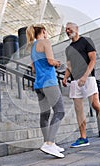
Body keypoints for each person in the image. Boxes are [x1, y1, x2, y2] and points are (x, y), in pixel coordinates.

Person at [62, 22, 100, 147]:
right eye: (66, 29)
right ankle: (83, 138)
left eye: (69, 28)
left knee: (95, 104)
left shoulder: (86, 41)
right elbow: (69, 65)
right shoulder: (68, 49)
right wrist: (65, 77)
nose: (67, 31)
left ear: (77, 29)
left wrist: (85, 76)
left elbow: (93, 60)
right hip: (74, 81)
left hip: (88, 78)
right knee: (79, 110)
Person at [26, 24, 65, 158]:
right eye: (46, 31)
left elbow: (34, 69)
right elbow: (49, 61)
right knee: (60, 111)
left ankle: (49, 144)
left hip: (39, 85)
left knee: (45, 115)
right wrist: (57, 63)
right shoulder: (45, 42)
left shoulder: (32, 48)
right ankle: (49, 143)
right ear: (43, 31)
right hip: (49, 82)